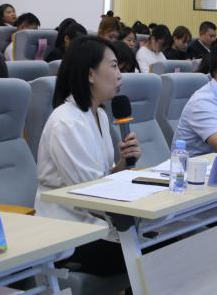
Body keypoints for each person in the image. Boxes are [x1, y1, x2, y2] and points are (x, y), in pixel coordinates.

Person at [34, 36, 141, 276]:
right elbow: (89, 194)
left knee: (160, 240)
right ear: (91, 74)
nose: (120, 75)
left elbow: (102, 179)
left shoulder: (99, 115)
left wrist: (124, 163)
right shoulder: (66, 122)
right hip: (68, 233)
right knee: (150, 249)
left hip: (96, 224)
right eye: (113, 66)